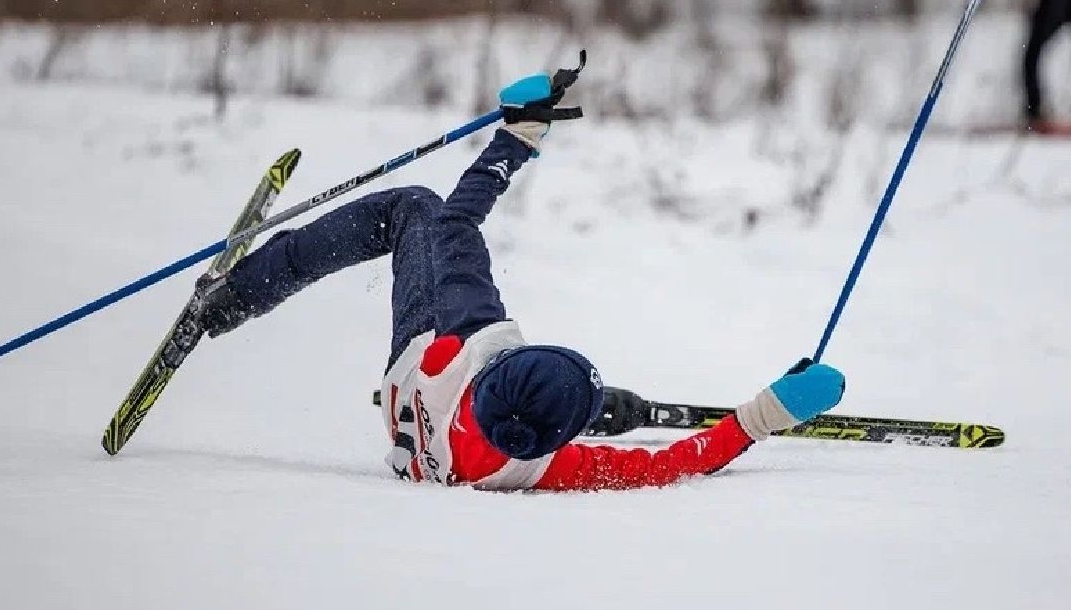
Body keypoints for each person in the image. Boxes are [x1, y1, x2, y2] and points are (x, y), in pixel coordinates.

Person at [194, 54, 846, 491]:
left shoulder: (458, 351)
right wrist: (765, 415)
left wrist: (517, 138)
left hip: (423, 373)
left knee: (418, 210)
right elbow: (673, 465)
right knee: (451, 240)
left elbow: (455, 230)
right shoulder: (540, 469)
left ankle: (233, 298)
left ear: (498, 366)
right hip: (412, 420)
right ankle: (614, 406)